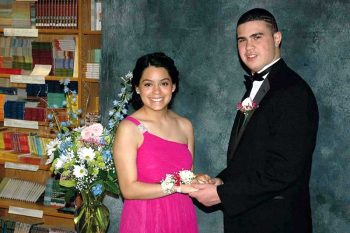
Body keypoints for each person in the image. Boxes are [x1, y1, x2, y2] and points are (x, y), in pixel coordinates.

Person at [190, 8, 319, 233]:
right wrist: (221, 181)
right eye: (242, 40)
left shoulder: (292, 92)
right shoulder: (259, 90)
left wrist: (223, 194)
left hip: (276, 223)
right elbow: (249, 158)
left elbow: (284, 170)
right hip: (249, 221)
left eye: (257, 37)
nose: (248, 47)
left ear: (277, 38)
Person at [113, 52, 198, 233]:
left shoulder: (185, 126)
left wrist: (199, 179)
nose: (157, 91)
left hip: (182, 216)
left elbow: (186, 176)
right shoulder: (129, 129)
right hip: (144, 220)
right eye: (148, 84)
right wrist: (177, 187)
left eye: (164, 83)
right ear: (137, 88)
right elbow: (129, 189)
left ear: (173, 86)